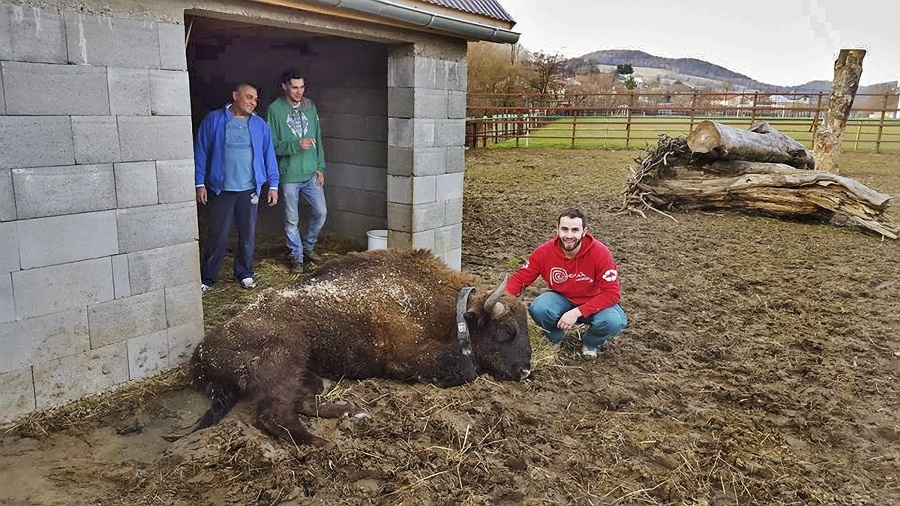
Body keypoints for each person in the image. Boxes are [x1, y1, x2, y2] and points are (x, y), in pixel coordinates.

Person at [506, 208, 628, 358]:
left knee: (613, 321)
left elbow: (612, 293)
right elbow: (520, 278)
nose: (569, 235)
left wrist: (576, 312)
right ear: (557, 230)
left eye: (575, 230)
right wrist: (501, 298)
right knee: (539, 308)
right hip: (561, 298)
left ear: (584, 231)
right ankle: (555, 338)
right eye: (564, 229)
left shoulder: (601, 253)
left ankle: (591, 342)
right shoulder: (544, 252)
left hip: (594, 301)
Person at [194, 83, 280, 293]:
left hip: (249, 188)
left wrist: (273, 185)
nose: (252, 102)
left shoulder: (260, 125)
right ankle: (208, 277)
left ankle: (245, 273)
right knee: (217, 235)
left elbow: (269, 155)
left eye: (255, 99)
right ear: (235, 96)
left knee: (247, 234)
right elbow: (201, 152)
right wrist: (199, 183)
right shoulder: (214, 120)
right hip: (220, 188)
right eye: (248, 97)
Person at [266, 68, 327, 273]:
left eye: (301, 87)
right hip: (289, 175)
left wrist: (320, 166)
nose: (298, 92)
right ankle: (296, 257)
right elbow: (270, 145)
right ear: (284, 87)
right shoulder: (275, 109)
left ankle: (307, 246)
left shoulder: (310, 106)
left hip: (311, 173)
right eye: (294, 87)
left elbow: (318, 137)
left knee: (321, 212)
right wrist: (295, 144)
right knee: (292, 219)